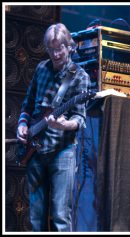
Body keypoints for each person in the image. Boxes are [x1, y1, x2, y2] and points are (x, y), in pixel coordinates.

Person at [16, 23, 90, 231]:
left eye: (60, 48)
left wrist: (66, 124)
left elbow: (80, 118)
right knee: (36, 217)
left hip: (62, 152)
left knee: (60, 217)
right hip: (35, 150)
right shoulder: (41, 69)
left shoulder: (80, 76)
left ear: (70, 46)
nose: (56, 54)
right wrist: (22, 124)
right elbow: (28, 104)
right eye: (51, 49)